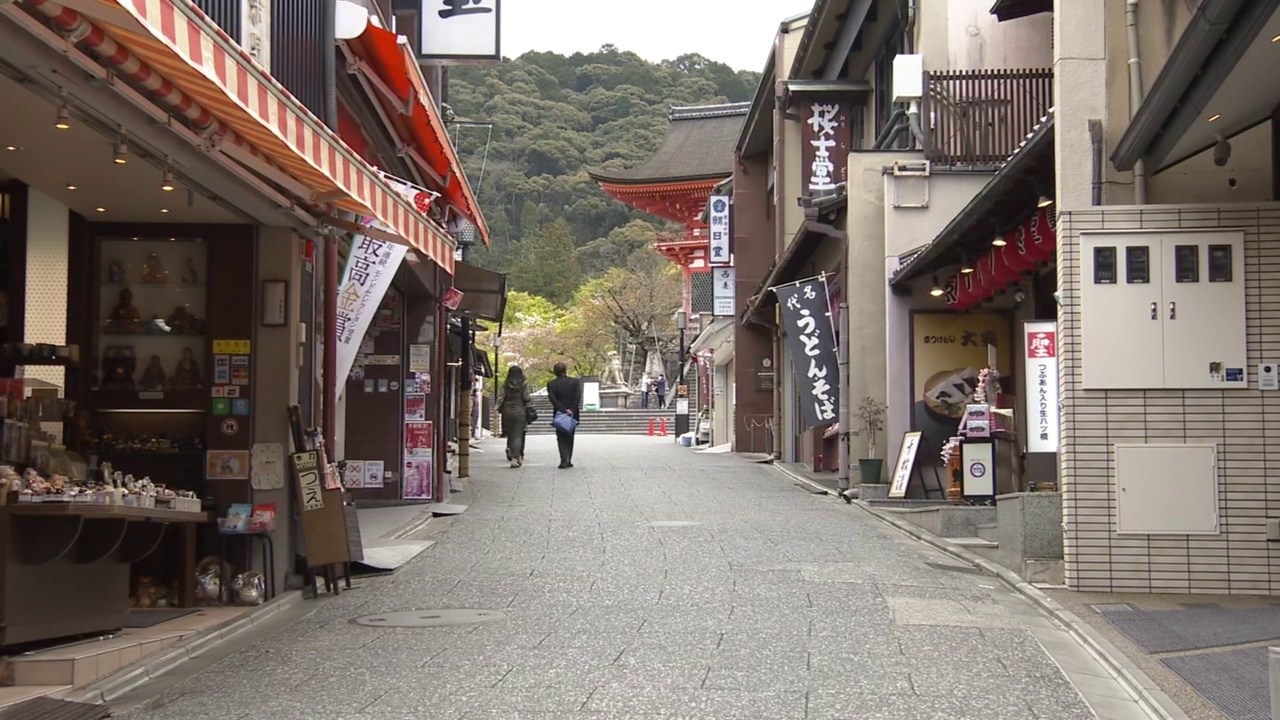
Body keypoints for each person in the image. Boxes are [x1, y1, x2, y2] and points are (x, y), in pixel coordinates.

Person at [546, 361, 582, 469]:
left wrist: (562, 409)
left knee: (560, 436)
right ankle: (568, 459)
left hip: (559, 413)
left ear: (555, 372)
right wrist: (571, 409)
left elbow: (553, 399)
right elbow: (577, 397)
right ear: (565, 370)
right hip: (572, 413)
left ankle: (563, 459)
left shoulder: (551, 384)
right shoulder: (574, 382)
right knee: (570, 435)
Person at [499, 366, 532, 468]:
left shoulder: (506, 384)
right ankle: (515, 458)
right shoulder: (524, 384)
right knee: (518, 434)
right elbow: (526, 397)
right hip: (520, 410)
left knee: (510, 433)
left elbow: (501, 397)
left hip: (507, 410)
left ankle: (510, 450)